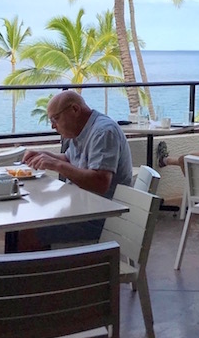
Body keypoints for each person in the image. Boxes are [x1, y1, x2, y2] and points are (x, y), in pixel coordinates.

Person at [19, 90, 134, 250]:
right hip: (83, 206)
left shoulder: (103, 132)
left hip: (102, 217)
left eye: (55, 118)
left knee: (28, 228)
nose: (53, 126)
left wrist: (56, 165)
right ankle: (39, 269)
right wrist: (44, 155)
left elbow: (100, 183)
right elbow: (69, 159)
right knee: (26, 216)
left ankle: (39, 271)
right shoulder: (81, 130)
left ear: (75, 109)